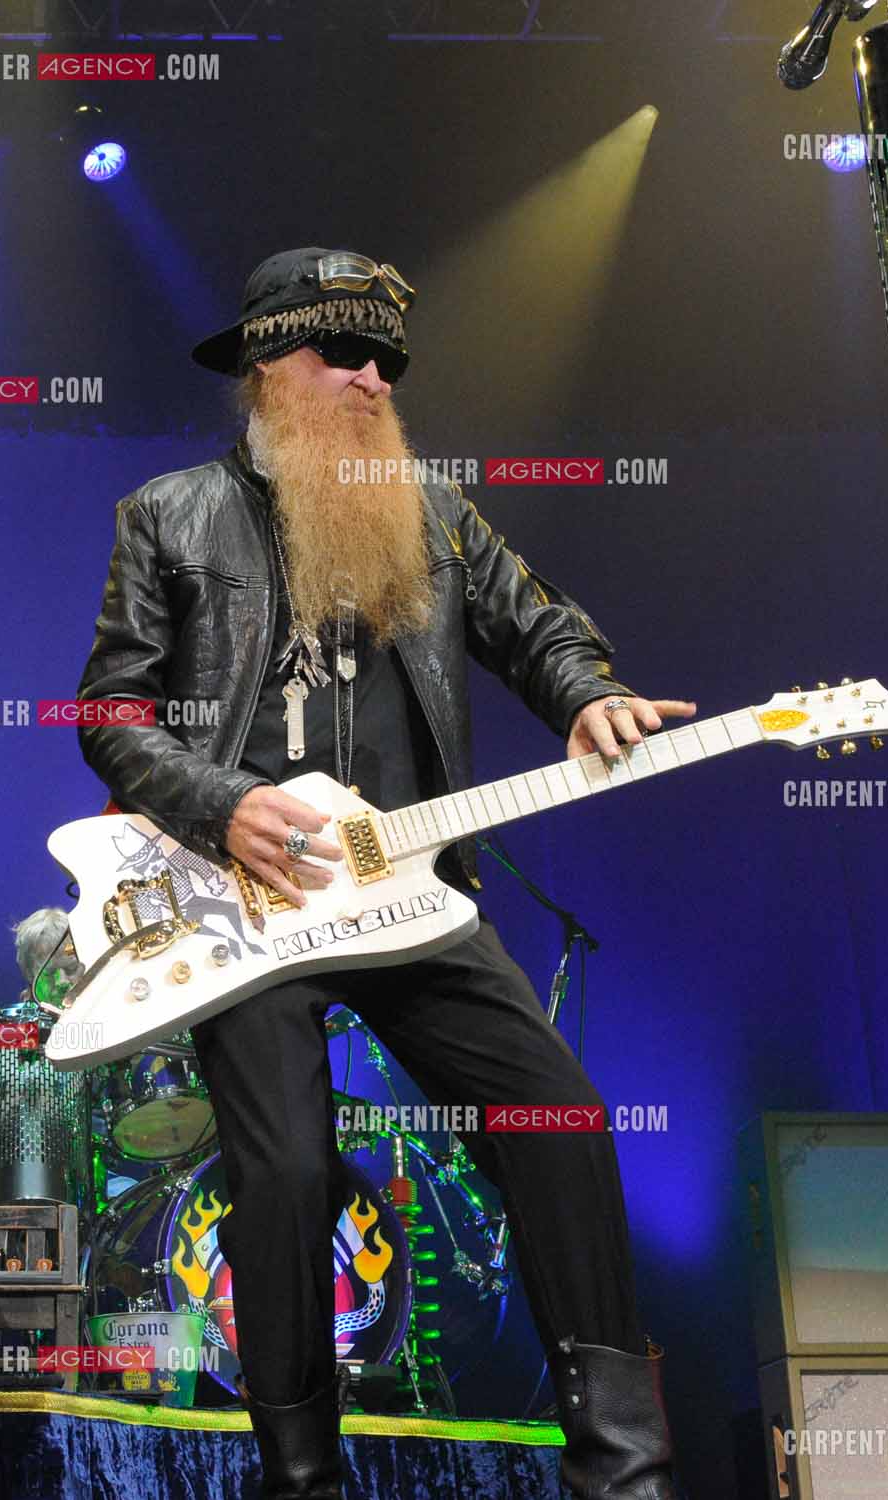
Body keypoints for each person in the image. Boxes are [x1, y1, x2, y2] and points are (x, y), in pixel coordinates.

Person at [74, 248, 685, 1499]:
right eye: (337, 352)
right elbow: (110, 715)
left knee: (557, 1114)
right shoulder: (171, 513)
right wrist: (220, 805)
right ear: (265, 368)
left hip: (409, 887)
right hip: (248, 900)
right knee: (288, 1171)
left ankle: (624, 1470)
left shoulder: (438, 508)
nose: (366, 376)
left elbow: (540, 627)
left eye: (385, 360)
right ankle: (300, 1477)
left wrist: (592, 698)